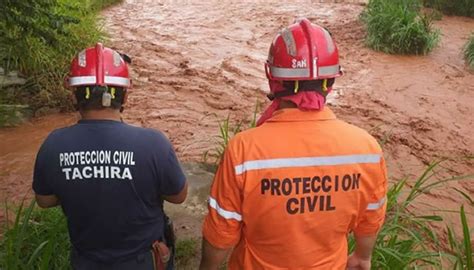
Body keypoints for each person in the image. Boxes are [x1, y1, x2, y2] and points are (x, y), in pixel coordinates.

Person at [200, 18, 387, 270]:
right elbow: (371, 216)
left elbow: (221, 233)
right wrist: (363, 256)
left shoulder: (244, 151)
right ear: (330, 82)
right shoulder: (367, 150)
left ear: (273, 78)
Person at [33, 43, 188, 270]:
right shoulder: (154, 143)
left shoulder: (54, 144)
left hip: (86, 261)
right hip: (144, 262)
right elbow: (178, 196)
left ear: (74, 93)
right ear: (124, 94)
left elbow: (44, 200)